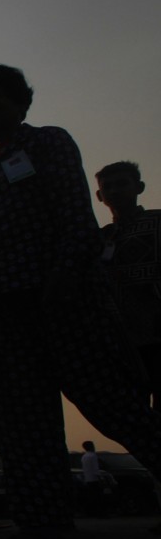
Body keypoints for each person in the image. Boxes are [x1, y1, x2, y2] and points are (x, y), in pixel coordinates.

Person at [0, 64, 161, 539]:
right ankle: (45, 523)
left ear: (21, 102)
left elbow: (75, 216)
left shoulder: (49, 144)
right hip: (8, 311)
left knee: (117, 407)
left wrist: (63, 278)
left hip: (66, 300)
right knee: (27, 420)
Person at [95, 161, 161, 410]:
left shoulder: (157, 222)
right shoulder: (101, 237)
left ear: (139, 187)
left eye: (122, 184)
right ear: (100, 196)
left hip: (156, 329)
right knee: (134, 410)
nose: (114, 191)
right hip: (120, 338)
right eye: (107, 187)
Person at [80, 440, 104, 517]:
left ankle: (89, 512)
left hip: (88, 479)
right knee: (98, 497)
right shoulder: (93, 456)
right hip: (94, 479)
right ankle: (99, 513)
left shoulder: (84, 456)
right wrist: (100, 478)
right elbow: (95, 469)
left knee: (91, 497)